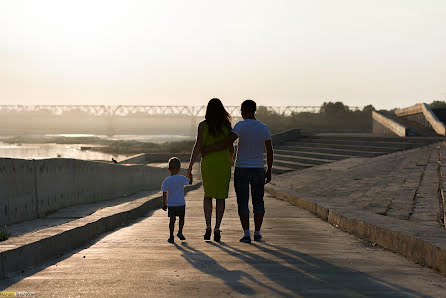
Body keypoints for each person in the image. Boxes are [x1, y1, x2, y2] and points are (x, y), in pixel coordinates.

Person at [203, 99, 273, 243]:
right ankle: (258, 232)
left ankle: (247, 233)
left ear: (244, 110)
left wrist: (209, 149)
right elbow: (270, 151)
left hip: (242, 168)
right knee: (258, 201)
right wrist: (269, 169)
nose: (240, 113)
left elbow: (227, 142)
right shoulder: (264, 127)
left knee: (243, 201)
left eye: (241, 110)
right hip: (259, 168)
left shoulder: (240, 126)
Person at [187, 98, 234, 242]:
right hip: (223, 164)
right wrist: (230, 161)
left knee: (208, 195)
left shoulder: (202, 126)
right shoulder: (227, 126)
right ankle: (217, 228)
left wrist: (189, 167)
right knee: (221, 197)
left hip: (208, 164)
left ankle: (208, 226)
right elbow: (230, 147)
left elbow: (197, 146)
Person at [161, 157, 193, 243]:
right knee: (181, 219)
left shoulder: (166, 181)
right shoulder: (181, 178)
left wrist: (164, 204)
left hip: (171, 204)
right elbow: (189, 182)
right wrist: (190, 173)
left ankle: (171, 236)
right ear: (179, 169)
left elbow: (164, 193)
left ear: (169, 169)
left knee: (172, 220)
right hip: (181, 203)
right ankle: (180, 232)